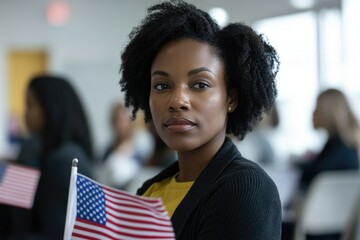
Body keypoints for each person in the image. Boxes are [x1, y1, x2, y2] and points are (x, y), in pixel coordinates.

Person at [119, 1, 281, 239]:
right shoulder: (152, 189)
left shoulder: (246, 188)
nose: (177, 101)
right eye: (162, 85)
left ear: (232, 99)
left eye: (200, 85)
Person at [5, 74, 94, 239]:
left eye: (30, 105)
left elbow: (56, 235)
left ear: (51, 107)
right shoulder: (43, 151)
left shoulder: (63, 161)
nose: (25, 114)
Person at [297, 88, 360, 191]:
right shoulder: (344, 146)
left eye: (317, 108)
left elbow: (312, 177)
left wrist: (297, 166)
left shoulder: (339, 149)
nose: (312, 113)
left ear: (328, 113)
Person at [96, 101, 151, 189]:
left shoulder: (141, 145)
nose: (119, 125)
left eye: (122, 120)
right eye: (116, 120)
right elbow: (100, 173)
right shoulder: (108, 147)